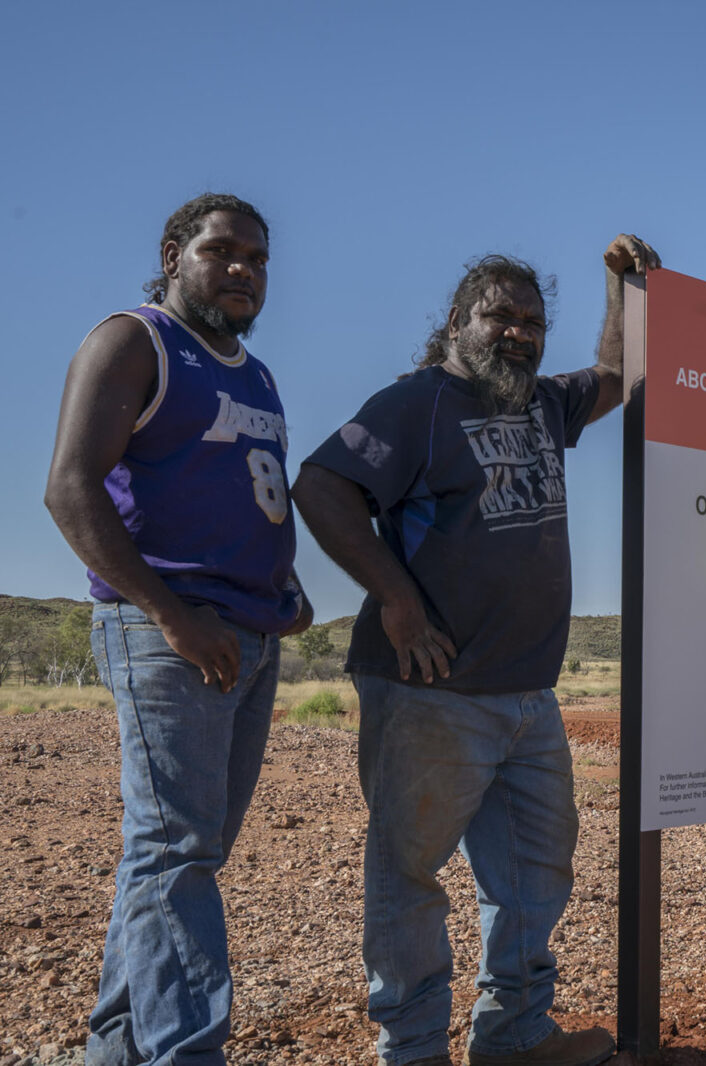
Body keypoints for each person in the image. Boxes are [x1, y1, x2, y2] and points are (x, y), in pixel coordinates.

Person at [292, 236, 659, 1066]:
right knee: (409, 878)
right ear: (459, 321)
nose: (519, 334)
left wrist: (619, 287)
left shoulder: (541, 405)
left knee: (534, 875)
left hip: (530, 696)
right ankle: (414, 1049)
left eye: (533, 321)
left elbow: (618, 374)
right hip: (432, 694)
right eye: (501, 316)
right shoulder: (417, 403)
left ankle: (515, 1037)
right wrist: (397, 599)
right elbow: (322, 484)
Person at [44, 192, 312, 1066]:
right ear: (173, 253)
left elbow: (245, 491)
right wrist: (169, 614)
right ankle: (187, 1053)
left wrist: (286, 584)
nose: (243, 270)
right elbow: (71, 487)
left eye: (259, 259)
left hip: (246, 634)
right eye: (223, 251)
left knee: (175, 862)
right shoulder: (134, 340)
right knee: (176, 856)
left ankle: (117, 1053)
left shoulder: (253, 373)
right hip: (169, 635)